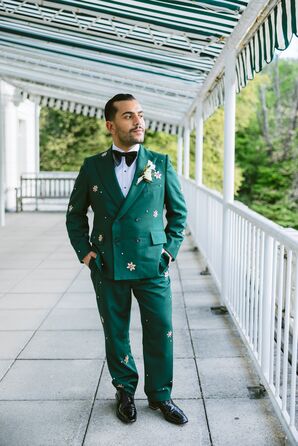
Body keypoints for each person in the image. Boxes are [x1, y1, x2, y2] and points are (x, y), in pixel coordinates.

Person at [66, 93, 188, 425]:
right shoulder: (93, 166)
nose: (138, 122)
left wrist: (169, 251)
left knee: (161, 329)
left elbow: (178, 214)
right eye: (128, 116)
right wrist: (86, 255)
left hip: (152, 264)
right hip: (108, 264)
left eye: (141, 115)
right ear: (111, 124)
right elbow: (75, 215)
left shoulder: (159, 163)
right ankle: (125, 391)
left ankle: (161, 396)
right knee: (116, 332)